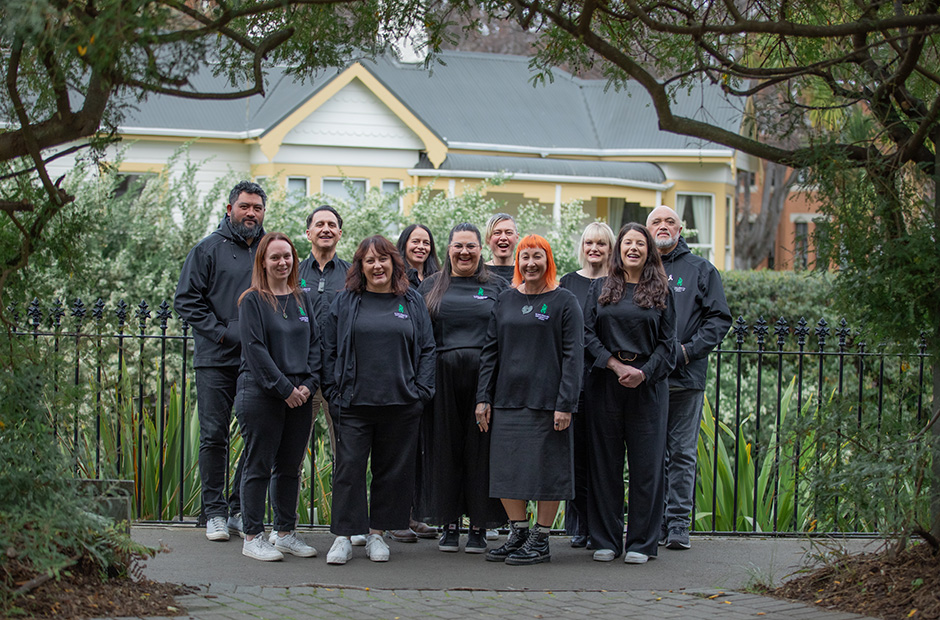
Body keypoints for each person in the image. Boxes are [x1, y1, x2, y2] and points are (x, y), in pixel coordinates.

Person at [321, 235, 436, 565]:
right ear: (360, 266)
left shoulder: (411, 301)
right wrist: (333, 391)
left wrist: (421, 393)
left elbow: (427, 349)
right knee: (349, 470)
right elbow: (328, 350)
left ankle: (376, 535)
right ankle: (343, 537)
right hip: (354, 403)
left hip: (401, 403)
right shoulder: (344, 302)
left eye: (383, 259)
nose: (377, 266)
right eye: (369, 260)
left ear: (393, 263)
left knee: (392, 472)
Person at [475, 234, 584, 566]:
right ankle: (519, 532)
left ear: (548, 261)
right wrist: (483, 398)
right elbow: (490, 352)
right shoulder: (505, 300)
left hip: (548, 403)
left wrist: (565, 403)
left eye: (538, 257)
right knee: (507, 470)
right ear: (518, 263)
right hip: (507, 400)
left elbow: (573, 355)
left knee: (547, 472)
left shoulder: (565, 302)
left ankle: (540, 539)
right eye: (525, 257)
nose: (531, 263)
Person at [174, 180, 266, 542]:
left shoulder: (268, 250)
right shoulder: (207, 249)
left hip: (256, 360)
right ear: (230, 209)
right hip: (215, 359)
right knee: (214, 436)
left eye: (257, 208)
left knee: (258, 436)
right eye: (245, 206)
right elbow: (186, 300)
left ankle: (238, 508)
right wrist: (224, 332)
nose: (251, 213)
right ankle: (213, 512)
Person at [583, 223, 676, 564]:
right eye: (627, 243)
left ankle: (641, 543)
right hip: (606, 383)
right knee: (605, 464)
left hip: (647, 387)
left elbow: (668, 345)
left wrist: (644, 372)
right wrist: (613, 365)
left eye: (640, 243)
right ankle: (606, 539)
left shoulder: (662, 290)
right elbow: (586, 334)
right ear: (618, 249)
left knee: (646, 467)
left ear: (649, 251)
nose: (633, 248)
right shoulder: (601, 289)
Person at [416, 223, 509, 553]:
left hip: (485, 380)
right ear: (449, 248)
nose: (465, 252)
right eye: (459, 246)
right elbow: (418, 336)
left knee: (480, 452)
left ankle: (480, 526)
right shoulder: (429, 286)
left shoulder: (497, 287)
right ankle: (449, 523)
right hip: (441, 379)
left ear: (481, 249)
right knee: (445, 450)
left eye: (471, 246)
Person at [646, 205, 732, 550]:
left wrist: (686, 352)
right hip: (645, 378)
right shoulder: (635, 268)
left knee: (680, 452)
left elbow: (718, 320)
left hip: (685, 378)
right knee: (649, 454)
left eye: (670, 221)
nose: (663, 226)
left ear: (681, 229)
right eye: (656, 221)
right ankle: (653, 524)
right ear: (646, 228)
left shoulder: (700, 270)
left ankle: (678, 523)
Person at [235, 233, 320, 561]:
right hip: (262, 395)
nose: (282, 262)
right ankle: (253, 536)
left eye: (287, 256)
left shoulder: (302, 298)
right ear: (263, 262)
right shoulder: (252, 300)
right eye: (275, 257)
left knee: (289, 466)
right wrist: (284, 389)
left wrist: (308, 385)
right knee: (257, 464)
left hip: (300, 396)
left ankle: (284, 533)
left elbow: (315, 344)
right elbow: (255, 351)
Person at [558, 221, 616, 548]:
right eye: (590, 243)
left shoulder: (618, 283)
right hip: (572, 383)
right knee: (575, 459)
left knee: (602, 459)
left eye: (602, 244)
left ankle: (600, 528)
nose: (595, 249)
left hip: (605, 381)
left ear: (610, 249)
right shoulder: (566, 283)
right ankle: (580, 524)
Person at [298, 205, 350, 455]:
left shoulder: (353, 275)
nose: (326, 229)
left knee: (346, 456)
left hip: (339, 377)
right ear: (308, 233)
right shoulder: (292, 272)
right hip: (300, 376)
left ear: (340, 233)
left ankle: (343, 498)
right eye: (319, 224)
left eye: (331, 225)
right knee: (291, 457)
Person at [483, 213, 519, 282]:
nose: (503, 238)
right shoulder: (480, 272)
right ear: (488, 238)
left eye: (508, 233)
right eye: (497, 233)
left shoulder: (525, 272)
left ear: (517, 237)